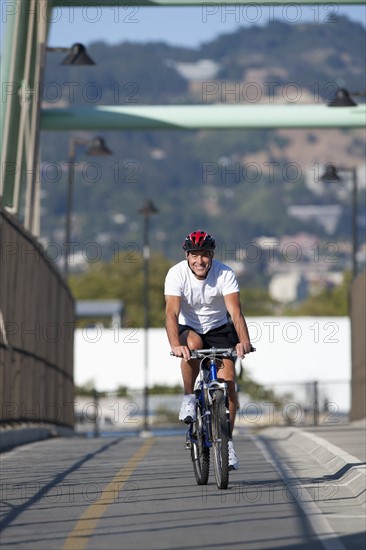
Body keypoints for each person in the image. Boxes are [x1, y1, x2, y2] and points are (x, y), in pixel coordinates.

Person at [164, 230, 252, 470]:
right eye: (194, 255)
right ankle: (189, 397)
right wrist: (175, 344)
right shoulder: (176, 273)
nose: (199, 261)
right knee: (192, 346)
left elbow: (235, 311)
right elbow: (171, 313)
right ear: (187, 256)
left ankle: (228, 443)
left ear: (211, 256)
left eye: (204, 255)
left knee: (229, 383)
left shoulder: (224, 273)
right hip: (190, 329)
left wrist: (244, 340)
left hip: (219, 329)